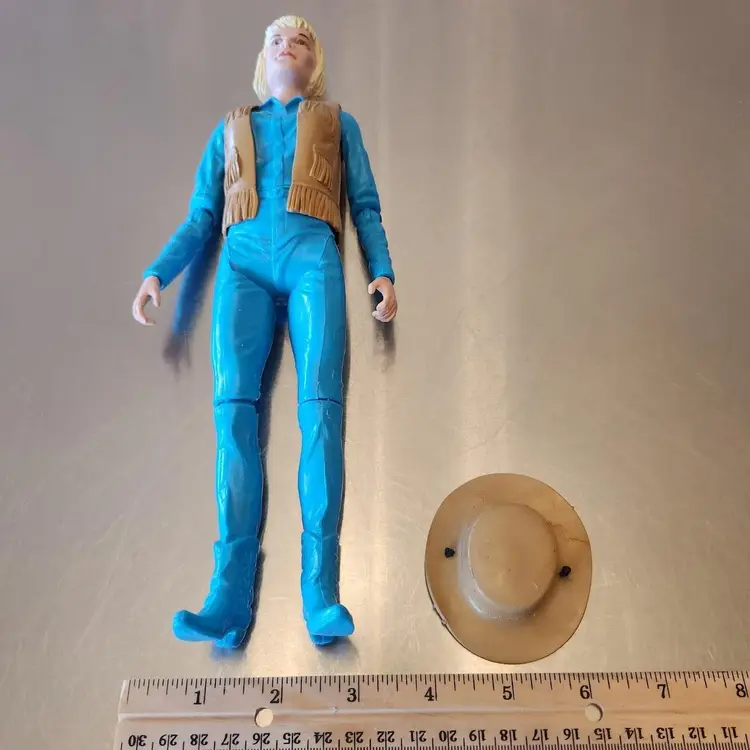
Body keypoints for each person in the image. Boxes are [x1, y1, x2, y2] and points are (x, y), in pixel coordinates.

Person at [131, 14, 397, 648]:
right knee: (232, 414)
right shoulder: (230, 128)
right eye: (277, 40)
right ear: (263, 57)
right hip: (242, 262)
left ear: (315, 62)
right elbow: (202, 215)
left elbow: (364, 204)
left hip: (312, 257)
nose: (288, 47)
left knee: (322, 411)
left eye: (301, 41)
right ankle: (227, 595)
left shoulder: (338, 123)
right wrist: (157, 273)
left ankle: (320, 591)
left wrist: (382, 270)